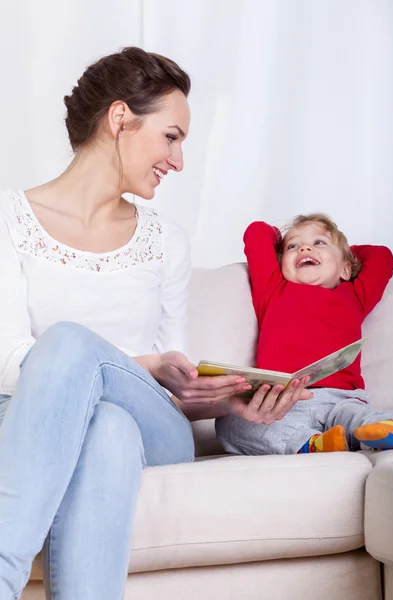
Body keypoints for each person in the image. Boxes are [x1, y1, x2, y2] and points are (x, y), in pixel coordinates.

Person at [0, 47, 311, 600]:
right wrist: (143, 366)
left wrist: (223, 399)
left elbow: (171, 383)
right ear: (120, 119)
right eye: (171, 137)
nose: (178, 160)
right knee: (106, 430)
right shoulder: (7, 220)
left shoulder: (164, 240)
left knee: (85, 364)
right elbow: (8, 365)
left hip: (156, 427)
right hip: (25, 413)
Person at [216, 213, 393, 456]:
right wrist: (322, 249)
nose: (304, 247)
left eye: (319, 243)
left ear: (346, 269)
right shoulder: (272, 289)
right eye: (293, 246)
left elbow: (381, 256)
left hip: (343, 400)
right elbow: (257, 232)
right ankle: (313, 443)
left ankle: (376, 432)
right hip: (283, 405)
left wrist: (343, 250)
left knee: (362, 417)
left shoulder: (355, 296)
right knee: (229, 424)